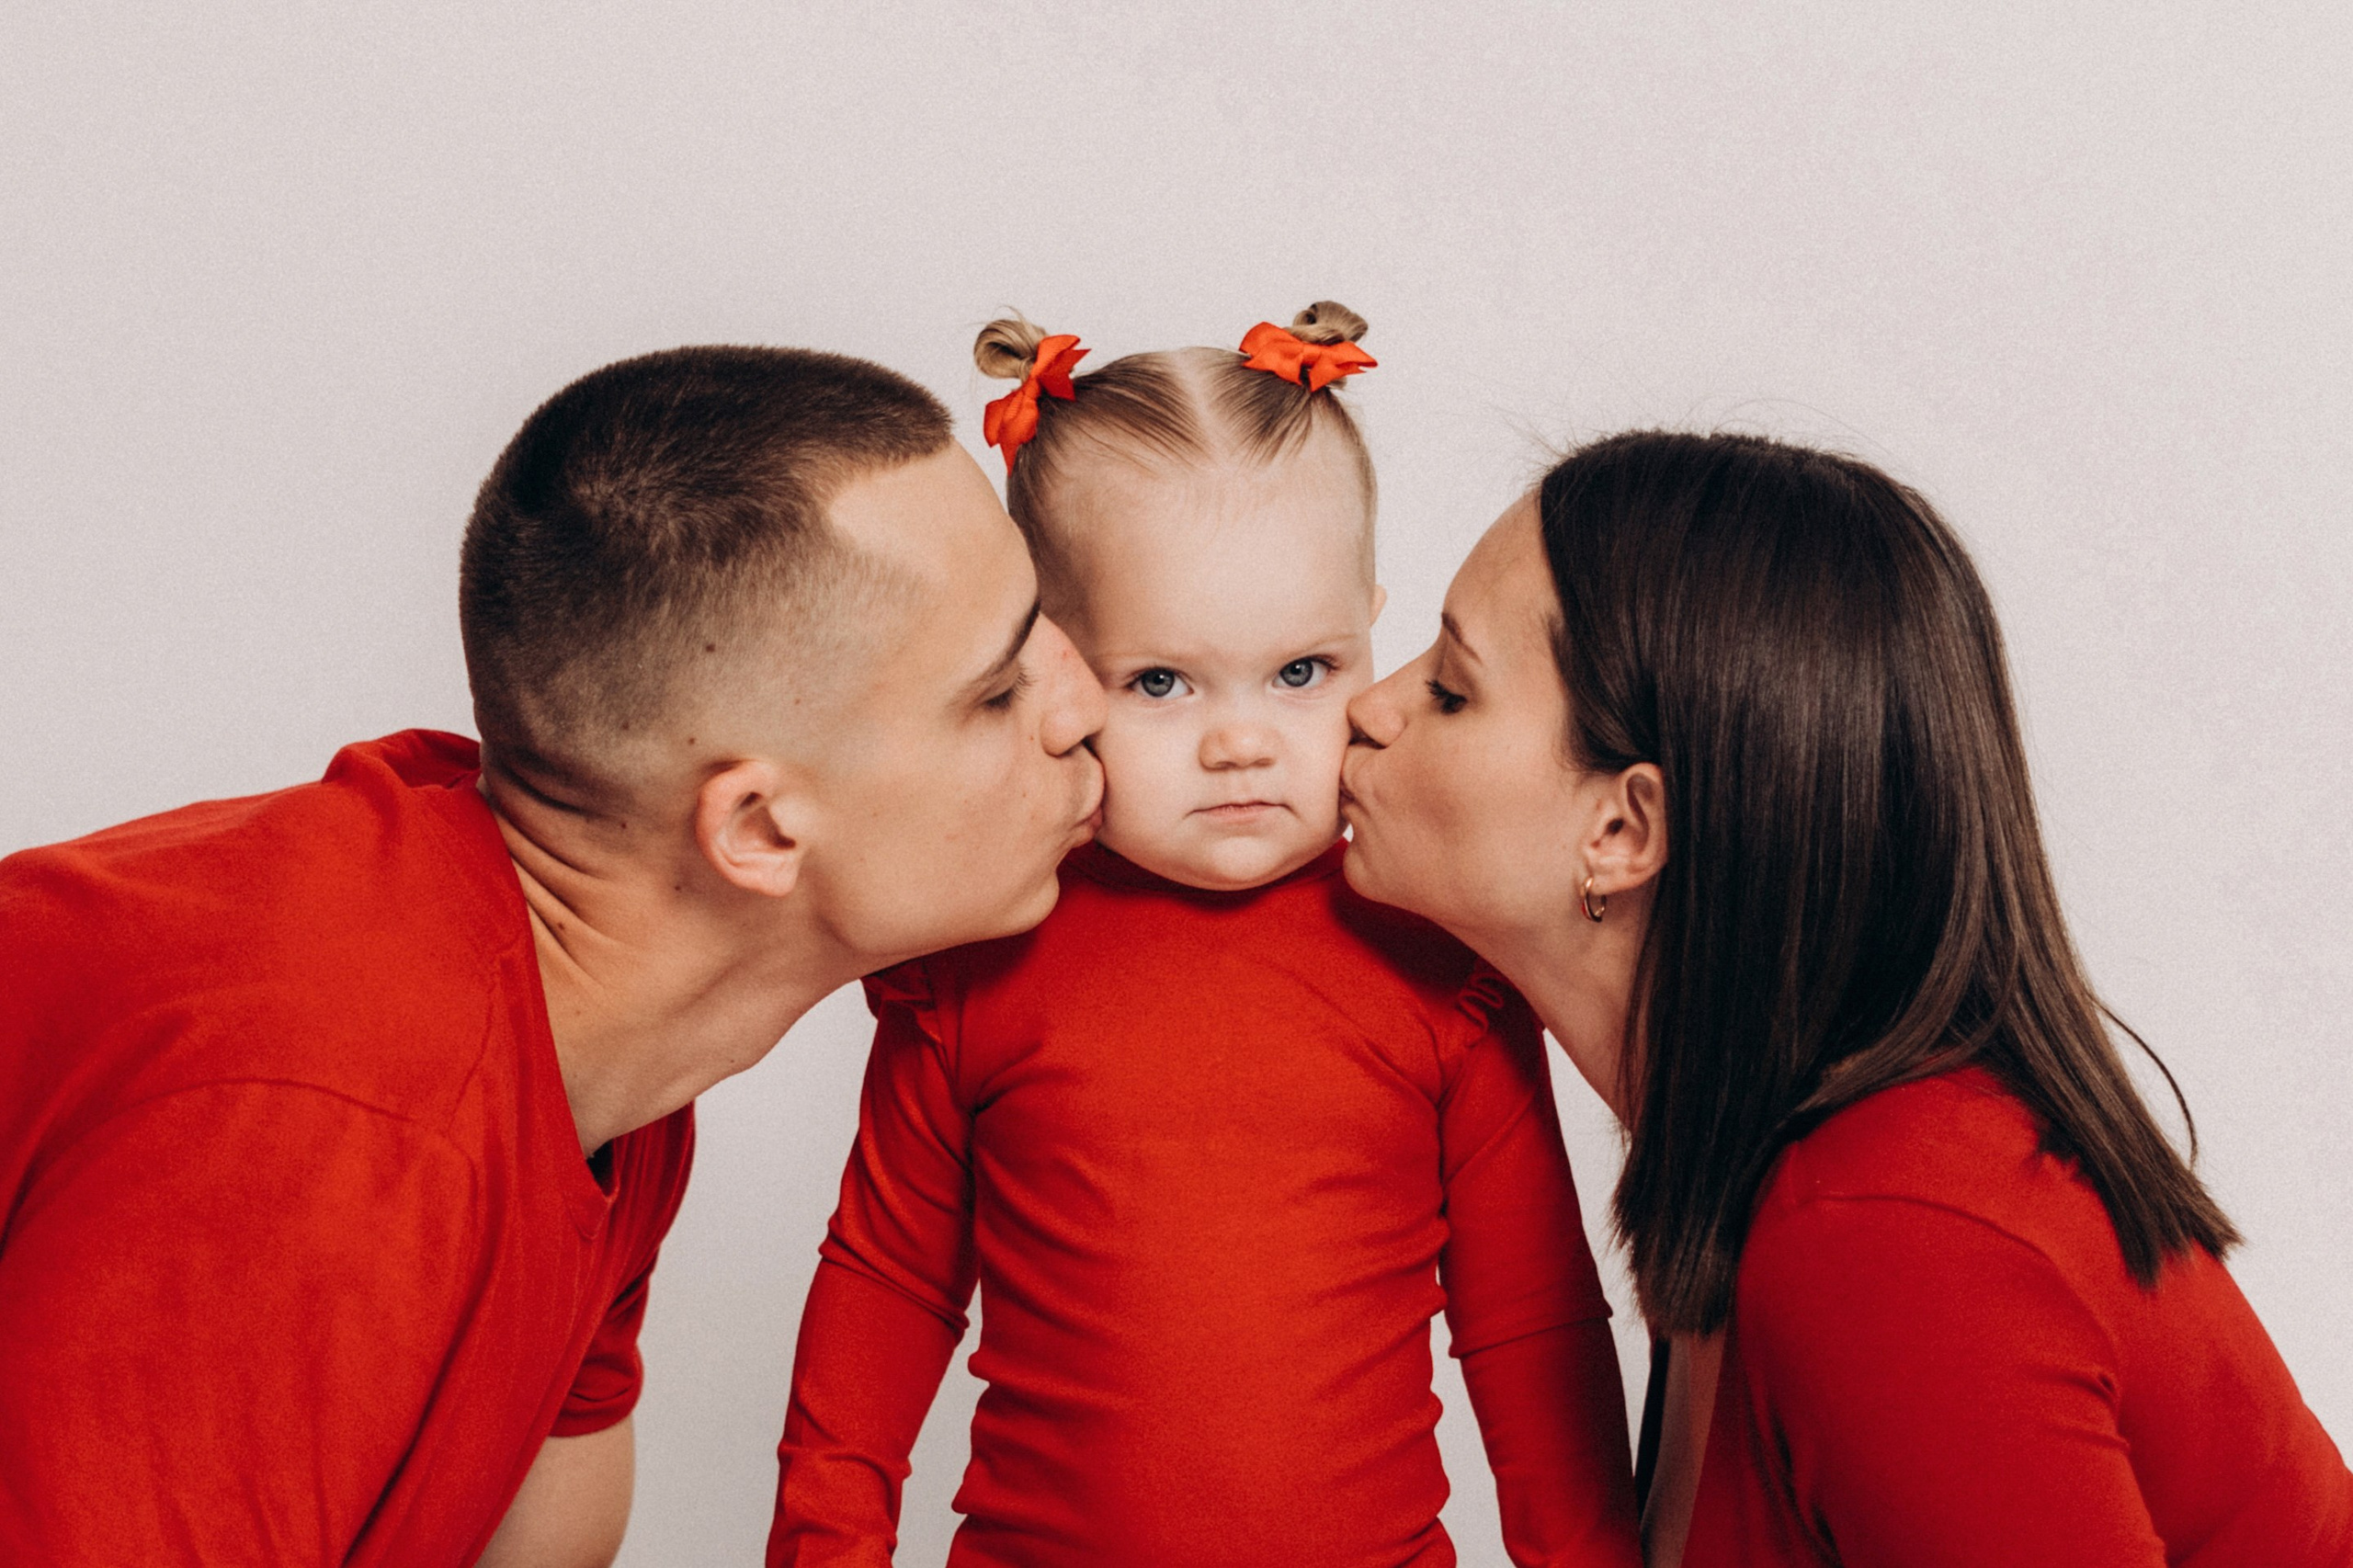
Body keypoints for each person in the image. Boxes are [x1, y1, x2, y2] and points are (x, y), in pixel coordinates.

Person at [0, 346, 1106, 1568]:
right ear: (755, 826)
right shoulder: (345, 1120)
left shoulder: (603, 1071)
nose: (1084, 705)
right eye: (1000, 688)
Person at [1336, 429, 2353, 1566]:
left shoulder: (1885, 1243)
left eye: (1450, 687)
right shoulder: (1752, 1169)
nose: (1365, 708)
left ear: (1622, 829)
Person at [767, 307, 1641, 1568]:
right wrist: (823, 1544)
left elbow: (1531, 1324)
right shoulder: (975, 948)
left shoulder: (1444, 963)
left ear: (1370, 631)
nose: (1241, 742)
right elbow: (886, 1286)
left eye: (1301, 671)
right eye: (1163, 682)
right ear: (1054, 669)